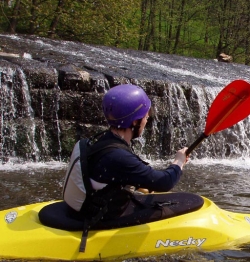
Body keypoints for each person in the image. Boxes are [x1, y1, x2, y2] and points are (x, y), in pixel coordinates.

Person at [63, 83, 189, 225]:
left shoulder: (99, 141)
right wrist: (179, 160)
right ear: (135, 121)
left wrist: (138, 185)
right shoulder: (118, 157)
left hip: (81, 209)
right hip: (96, 218)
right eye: (145, 118)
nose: (146, 121)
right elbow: (165, 182)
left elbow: (105, 176)